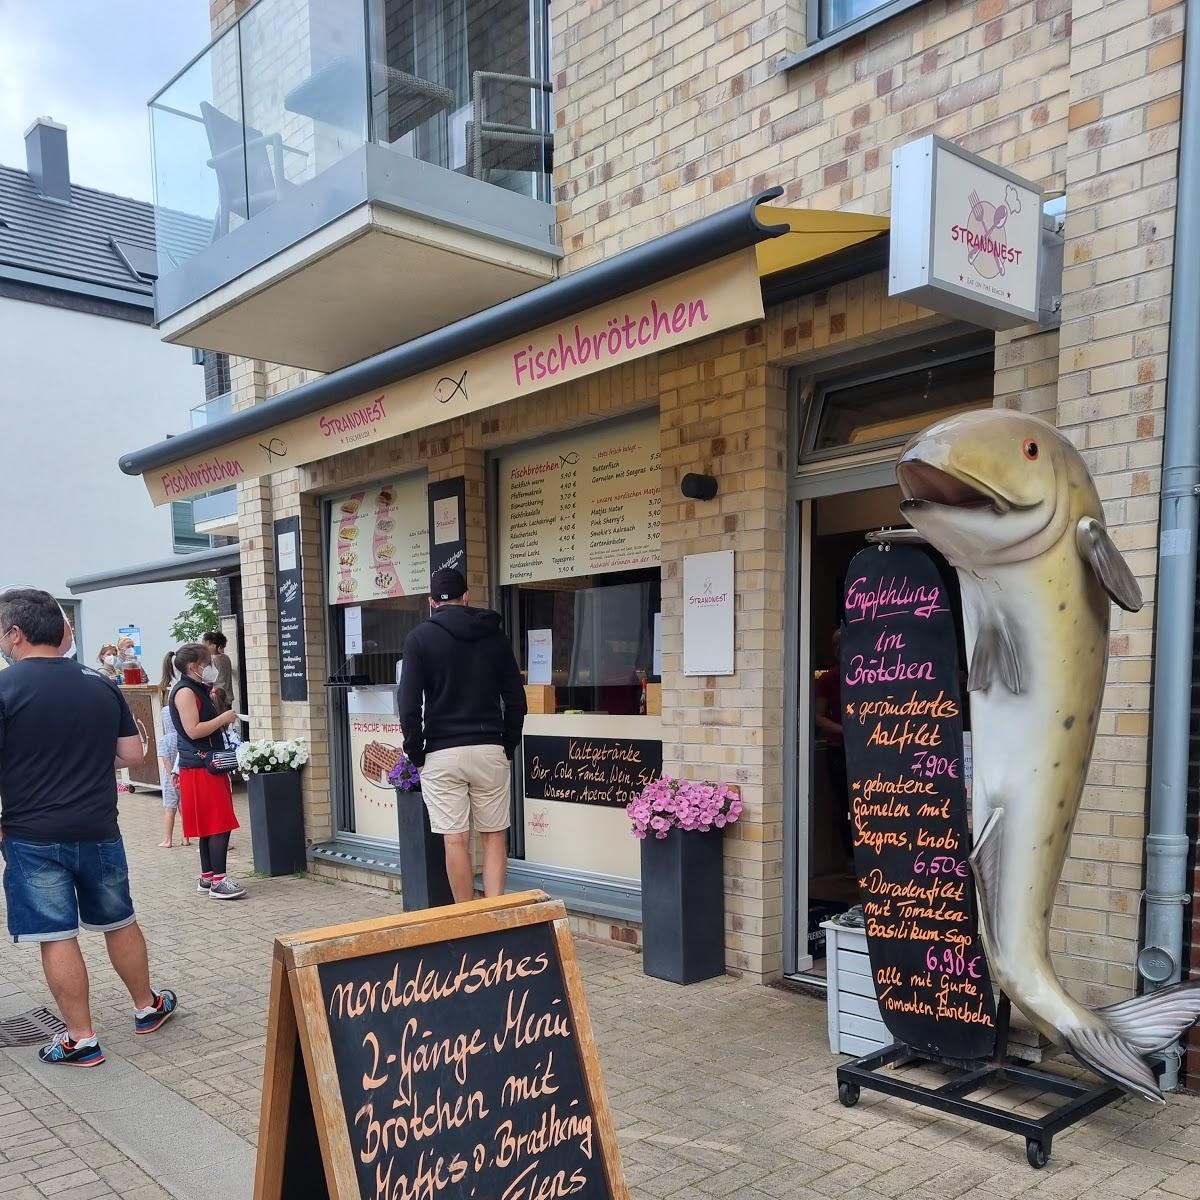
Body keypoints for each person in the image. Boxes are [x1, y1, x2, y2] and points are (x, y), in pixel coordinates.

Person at [0, 589, 177, 1066]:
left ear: (15, 633)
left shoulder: (4, 689)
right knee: (119, 921)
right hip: (99, 828)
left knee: (56, 935)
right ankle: (146, 1007)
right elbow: (132, 755)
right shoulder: (101, 684)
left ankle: (81, 1038)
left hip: (31, 836)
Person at [398, 567, 527, 903]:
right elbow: (516, 698)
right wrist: (507, 744)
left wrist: (416, 754)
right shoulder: (494, 635)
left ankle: (466, 918)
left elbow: (408, 703)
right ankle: (494, 914)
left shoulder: (419, 639)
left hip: (442, 753)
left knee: (454, 840)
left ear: (431, 602)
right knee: (494, 836)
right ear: (466, 596)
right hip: (488, 747)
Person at [169, 644, 244, 899]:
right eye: (207, 663)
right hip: (202, 766)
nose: (211, 667)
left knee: (209, 825)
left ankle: (208, 876)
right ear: (194, 667)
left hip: (202, 764)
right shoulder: (186, 692)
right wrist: (223, 718)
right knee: (218, 823)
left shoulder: (194, 689)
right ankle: (219, 882)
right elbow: (193, 730)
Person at [814, 626, 854, 860]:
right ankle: (850, 859)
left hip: (867, 751)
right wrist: (845, 731)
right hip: (839, 749)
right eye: (837, 645)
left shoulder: (867, 675)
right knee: (844, 806)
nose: (841, 650)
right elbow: (818, 716)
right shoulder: (829, 678)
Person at [157, 653, 188, 849]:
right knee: (184, 807)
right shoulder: (182, 737)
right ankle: (186, 837)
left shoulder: (164, 739)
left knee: (170, 808)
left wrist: (170, 775)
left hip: (170, 779)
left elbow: (165, 760)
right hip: (183, 774)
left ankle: (167, 839)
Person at [201, 631, 234, 709]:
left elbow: (207, 682)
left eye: (204, 645)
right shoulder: (226, 658)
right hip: (228, 698)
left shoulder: (212, 661)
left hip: (218, 699)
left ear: (211, 644)